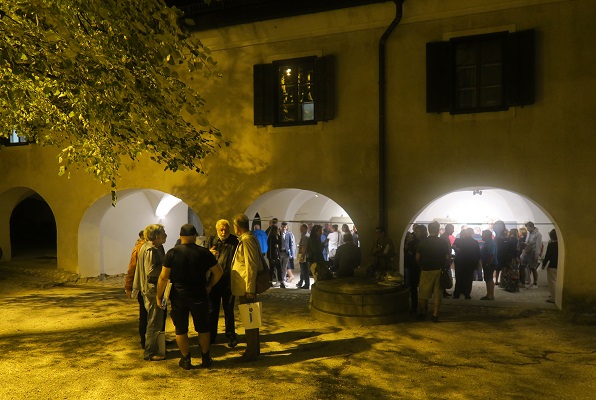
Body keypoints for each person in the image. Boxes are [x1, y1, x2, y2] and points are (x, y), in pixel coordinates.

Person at [156, 224, 223, 369]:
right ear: (194, 236)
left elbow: (163, 277)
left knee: (181, 329)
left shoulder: (172, 253)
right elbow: (218, 272)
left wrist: (159, 295)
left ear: (180, 236)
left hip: (178, 296)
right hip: (199, 294)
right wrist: (209, 285)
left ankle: (186, 359)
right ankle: (205, 357)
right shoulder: (204, 253)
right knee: (203, 328)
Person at [132, 224, 167, 361]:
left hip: (150, 288)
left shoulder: (151, 247)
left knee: (155, 319)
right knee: (153, 320)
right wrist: (166, 267)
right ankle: (150, 352)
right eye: (163, 233)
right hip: (152, 289)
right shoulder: (150, 250)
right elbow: (151, 270)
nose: (166, 235)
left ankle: (156, 346)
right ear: (157, 236)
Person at [230, 214, 262, 362]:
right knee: (251, 319)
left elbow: (251, 265)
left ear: (237, 227)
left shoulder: (247, 240)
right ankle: (254, 349)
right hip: (245, 287)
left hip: (246, 288)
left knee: (250, 319)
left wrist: (250, 288)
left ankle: (252, 351)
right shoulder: (246, 238)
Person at [207, 219, 239, 348]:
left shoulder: (235, 241)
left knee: (229, 309)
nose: (223, 232)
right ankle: (212, 335)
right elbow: (203, 257)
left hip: (228, 281)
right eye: (221, 229)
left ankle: (230, 335)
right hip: (214, 281)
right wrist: (209, 253)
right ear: (217, 229)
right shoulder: (211, 240)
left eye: (226, 229)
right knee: (212, 310)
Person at [416, 221, 450, 322]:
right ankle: (435, 314)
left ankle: (423, 313)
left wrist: (421, 265)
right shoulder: (443, 242)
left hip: (426, 270)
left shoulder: (423, 242)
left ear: (429, 230)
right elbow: (447, 257)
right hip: (439, 270)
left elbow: (417, 257)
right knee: (437, 294)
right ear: (438, 230)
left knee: (423, 293)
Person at [125, 230, 147, 349]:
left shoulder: (146, 247)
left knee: (146, 314)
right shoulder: (140, 248)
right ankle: (144, 341)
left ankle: (152, 340)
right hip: (143, 286)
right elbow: (132, 268)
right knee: (145, 315)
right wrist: (128, 286)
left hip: (144, 286)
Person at [452, 228, 480, 299]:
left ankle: (457, 294)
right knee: (469, 279)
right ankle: (467, 294)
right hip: (470, 263)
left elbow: (457, 249)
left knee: (459, 278)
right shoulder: (475, 242)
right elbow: (478, 254)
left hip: (461, 262)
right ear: (472, 233)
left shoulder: (461, 241)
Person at [404, 224, 426, 312]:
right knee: (416, 288)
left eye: (418, 231)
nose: (416, 233)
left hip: (416, 267)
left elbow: (411, 254)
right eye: (416, 231)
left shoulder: (415, 242)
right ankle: (418, 306)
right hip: (417, 267)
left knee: (419, 288)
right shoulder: (418, 242)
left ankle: (417, 306)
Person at [524, 221, 543, 289]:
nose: (527, 229)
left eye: (528, 228)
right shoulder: (529, 233)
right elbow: (527, 242)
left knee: (533, 268)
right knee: (528, 268)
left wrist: (537, 255)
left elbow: (538, 245)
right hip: (528, 253)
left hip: (534, 253)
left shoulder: (538, 234)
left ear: (532, 227)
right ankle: (529, 281)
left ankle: (535, 283)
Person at [542, 229, 558, 303]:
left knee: (552, 282)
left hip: (552, 265)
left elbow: (547, 256)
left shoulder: (551, 244)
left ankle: (554, 298)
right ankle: (556, 295)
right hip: (560, 265)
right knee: (557, 281)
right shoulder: (561, 244)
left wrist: (543, 265)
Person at [480, 230, 497, 300]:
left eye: (482, 234)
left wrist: (488, 263)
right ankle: (491, 294)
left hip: (490, 263)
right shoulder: (488, 242)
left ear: (486, 235)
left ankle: (489, 295)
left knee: (488, 279)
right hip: (489, 263)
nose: (481, 236)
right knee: (490, 278)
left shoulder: (490, 243)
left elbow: (491, 254)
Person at [296, 223, 310, 289]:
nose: (300, 229)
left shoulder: (305, 236)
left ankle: (307, 284)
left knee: (305, 270)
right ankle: (301, 282)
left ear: (305, 228)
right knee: (303, 270)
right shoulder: (305, 235)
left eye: (301, 228)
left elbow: (304, 247)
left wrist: (302, 256)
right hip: (304, 255)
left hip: (304, 255)